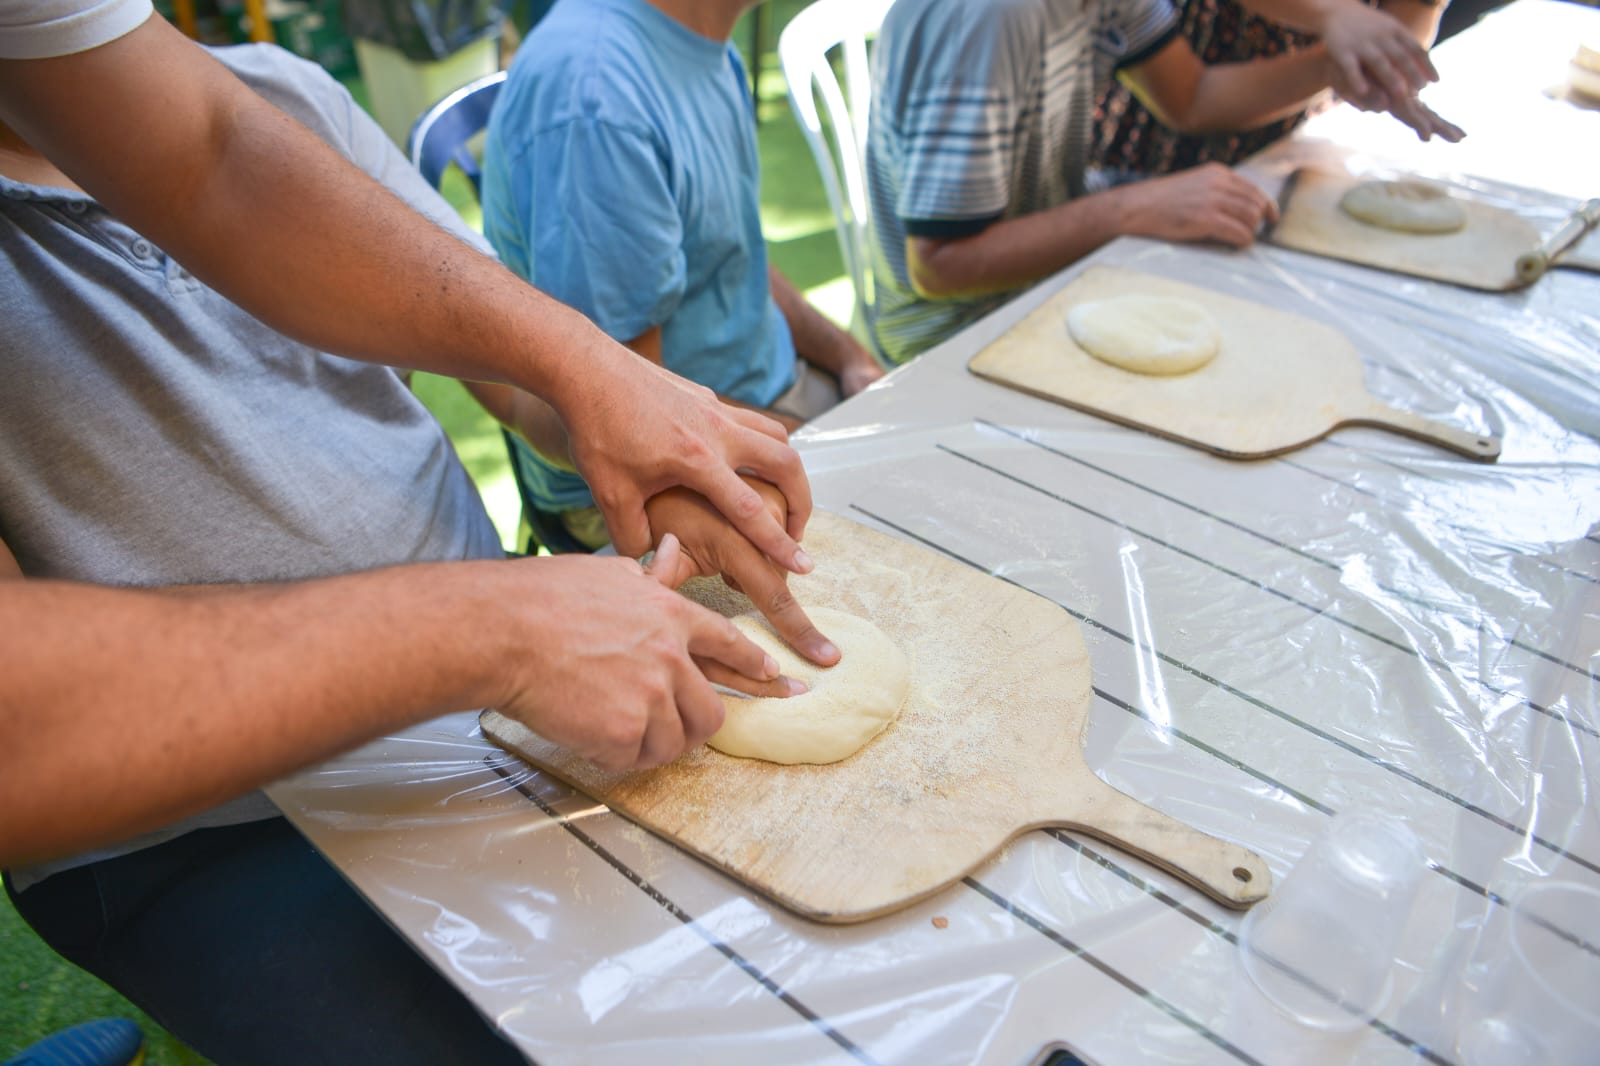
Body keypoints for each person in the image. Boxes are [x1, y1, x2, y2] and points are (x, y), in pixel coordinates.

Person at [0, 39, 833, 1065]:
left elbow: (512, 379)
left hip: (501, 701)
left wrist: (620, 431)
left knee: (766, 960)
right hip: (207, 827)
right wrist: (498, 628)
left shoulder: (281, 91)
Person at [480, 0, 886, 550]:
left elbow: (728, 252)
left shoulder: (702, 39)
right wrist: (818, 443)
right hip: (654, 481)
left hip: (767, 405)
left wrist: (848, 357)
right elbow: (628, 416)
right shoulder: (600, 99)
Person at [864, 0, 1465, 364]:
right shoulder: (990, 17)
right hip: (956, 334)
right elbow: (940, 265)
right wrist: (1131, 208)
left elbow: (1193, 97)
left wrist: (1342, 61)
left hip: (1057, 278)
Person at [1092, 0, 1450, 183]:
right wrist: (1331, 14)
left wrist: (1367, 64)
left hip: (1287, 139)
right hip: (1152, 149)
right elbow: (1188, 102)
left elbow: (1411, 17)